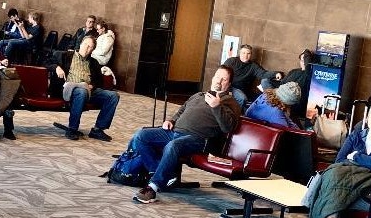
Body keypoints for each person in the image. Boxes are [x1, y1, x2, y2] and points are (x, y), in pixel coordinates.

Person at [131, 65, 241, 203]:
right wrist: (171, 120)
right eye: (218, 76)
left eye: (224, 79)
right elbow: (182, 110)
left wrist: (216, 106)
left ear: (229, 84)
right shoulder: (199, 95)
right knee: (141, 136)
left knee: (173, 145)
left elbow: (228, 127)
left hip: (199, 139)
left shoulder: (231, 103)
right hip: (174, 131)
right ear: (213, 77)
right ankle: (159, 172)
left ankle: (152, 187)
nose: (219, 81)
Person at [53, 36, 119, 142]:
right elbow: (46, 61)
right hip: (70, 89)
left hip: (88, 90)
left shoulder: (93, 62)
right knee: (81, 91)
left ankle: (97, 129)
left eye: (90, 47)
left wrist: (93, 85)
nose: (86, 48)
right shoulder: (65, 55)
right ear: (80, 44)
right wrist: (57, 67)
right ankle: (72, 129)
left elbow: (99, 81)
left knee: (113, 96)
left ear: (92, 50)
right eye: (85, 45)